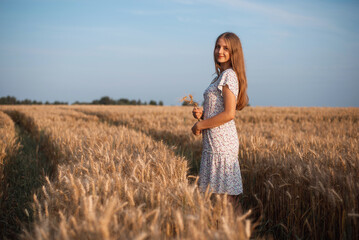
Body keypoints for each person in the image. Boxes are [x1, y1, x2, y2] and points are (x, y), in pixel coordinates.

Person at [191, 32, 248, 209]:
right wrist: (203, 113)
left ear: (234, 52)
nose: (219, 51)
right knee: (218, 200)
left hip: (222, 145)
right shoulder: (219, 76)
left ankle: (235, 233)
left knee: (226, 201)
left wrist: (200, 124)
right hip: (213, 143)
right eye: (217, 46)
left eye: (225, 48)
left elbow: (229, 113)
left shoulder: (229, 75)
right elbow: (220, 109)